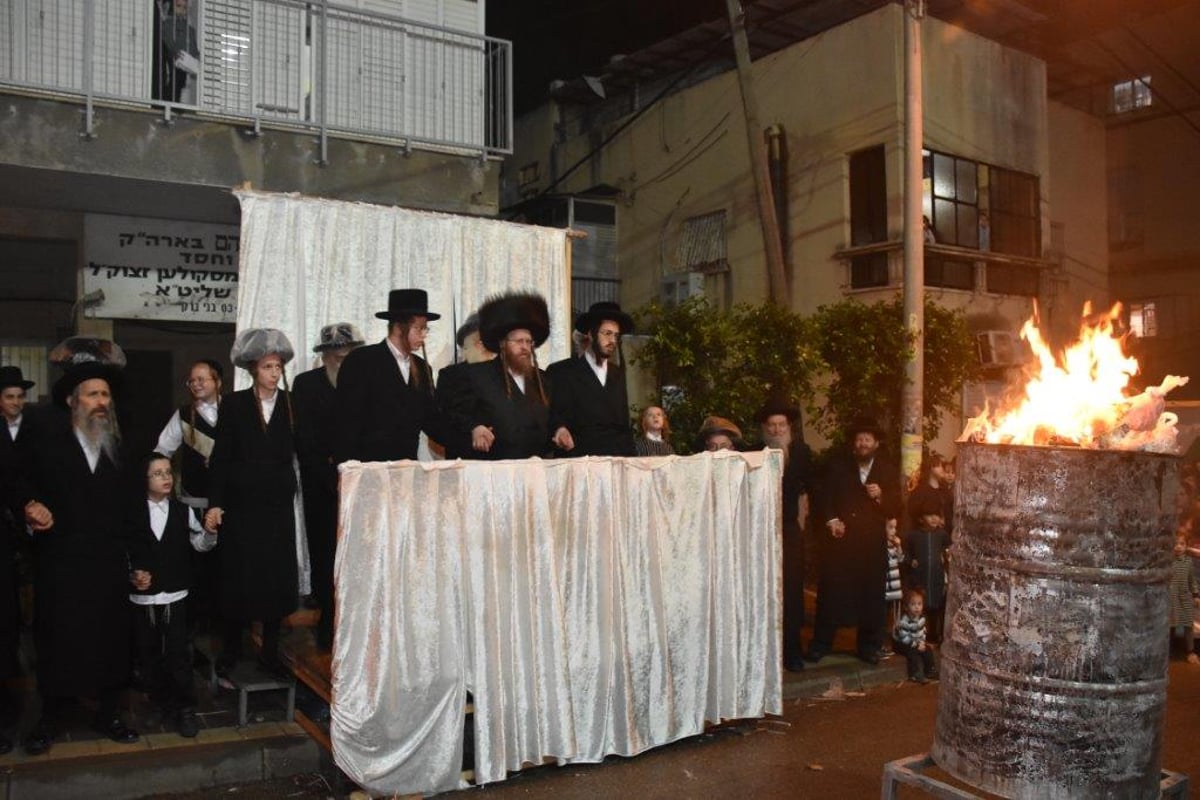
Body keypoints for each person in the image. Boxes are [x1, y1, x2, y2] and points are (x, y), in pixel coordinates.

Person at [17, 338, 139, 756]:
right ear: (72, 399)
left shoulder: (119, 446)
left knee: (109, 638)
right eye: (92, 394)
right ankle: (51, 715)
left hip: (106, 562)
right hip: (60, 561)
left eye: (105, 394)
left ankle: (110, 712)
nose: (101, 402)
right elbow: (18, 479)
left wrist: (137, 560)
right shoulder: (43, 438)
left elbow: (131, 510)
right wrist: (29, 505)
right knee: (58, 637)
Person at [204, 329, 300, 681]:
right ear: (252, 370)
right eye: (267, 367)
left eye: (278, 366)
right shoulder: (234, 405)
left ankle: (270, 653)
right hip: (241, 508)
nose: (274, 373)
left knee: (274, 580)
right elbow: (221, 459)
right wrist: (215, 504)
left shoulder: (292, 404)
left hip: (276, 509)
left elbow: (305, 449)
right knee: (238, 579)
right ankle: (231, 650)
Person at [126, 452, 217, 737]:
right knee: (149, 655)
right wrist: (132, 575)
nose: (166, 478)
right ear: (144, 479)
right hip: (144, 599)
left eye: (168, 472)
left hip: (175, 596)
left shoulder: (182, 511)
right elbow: (123, 553)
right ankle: (158, 703)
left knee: (178, 655)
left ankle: (185, 708)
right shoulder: (131, 513)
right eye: (158, 473)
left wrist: (210, 531)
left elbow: (200, 544)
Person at [293, 322, 363, 651]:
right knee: (323, 554)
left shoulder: (365, 385)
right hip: (320, 483)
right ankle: (326, 621)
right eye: (335, 355)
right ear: (324, 356)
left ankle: (354, 621)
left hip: (358, 484)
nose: (341, 360)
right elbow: (303, 439)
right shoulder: (305, 385)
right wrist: (329, 474)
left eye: (348, 355)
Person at [808, 416, 899, 665]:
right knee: (831, 594)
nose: (862, 443)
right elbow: (822, 497)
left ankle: (868, 647)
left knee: (871, 597)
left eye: (867, 439)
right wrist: (831, 520)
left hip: (871, 546)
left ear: (876, 443)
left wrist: (881, 496)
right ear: (853, 443)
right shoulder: (837, 466)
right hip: (841, 543)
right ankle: (821, 644)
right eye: (859, 439)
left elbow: (897, 506)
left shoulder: (888, 470)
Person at [334, 289, 458, 464]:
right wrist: (346, 468)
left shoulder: (422, 368)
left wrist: (471, 434)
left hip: (407, 470)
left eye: (425, 329)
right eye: (418, 328)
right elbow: (346, 422)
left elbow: (432, 420)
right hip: (368, 469)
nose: (423, 335)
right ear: (399, 326)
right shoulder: (362, 361)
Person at [454, 291, 573, 460]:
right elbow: (458, 414)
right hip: (495, 470)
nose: (525, 347)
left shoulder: (543, 380)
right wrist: (475, 427)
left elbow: (554, 417)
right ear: (502, 344)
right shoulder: (478, 376)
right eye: (518, 341)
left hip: (535, 469)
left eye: (528, 342)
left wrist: (560, 429)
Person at [154, 359, 224, 634]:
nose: (196, 384)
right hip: (194, 504)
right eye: (192, 380)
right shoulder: (183, 415)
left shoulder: (235, 411)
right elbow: (162, 451)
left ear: (218, 381)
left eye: (202, 379)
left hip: (228, 505)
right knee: (197, 568)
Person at [757, 393, 813, 672]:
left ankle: (792, 651)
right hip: (761, 530)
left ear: (789, 428)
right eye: (772, 425)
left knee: (791, 589)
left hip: (790, 529)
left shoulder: (802, 452)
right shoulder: (755, 451)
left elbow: (813, 488)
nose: (777, 430)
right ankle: (765, 653)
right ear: (765, 429)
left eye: (781, 425)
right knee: (763, 590)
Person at [0, 366, 37, 748]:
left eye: (19, 396)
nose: (15, 402)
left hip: (29, 522)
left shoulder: (34, 429)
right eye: (9, 396)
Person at [548, 301, 636, 457]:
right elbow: (553, 415)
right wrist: (560, 429)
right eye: (607, 333)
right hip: (578, 462)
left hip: (614, 463)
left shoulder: (617, 374)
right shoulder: (562, 372)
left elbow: (623, 424)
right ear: (590, 333)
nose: (613, 341)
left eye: (616, 335)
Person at [435, 312, 494, 460]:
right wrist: (473, 427)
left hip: (504, 459)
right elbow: (444, 414)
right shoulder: (450, 375)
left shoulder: (509, 374)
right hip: (463, 456)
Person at [904, 492, 950, 643]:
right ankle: (915, 635)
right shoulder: (913, 536)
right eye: (930, 515)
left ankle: (934, 635)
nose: (934, 518)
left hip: (936, 577)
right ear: (921, 518)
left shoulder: (942, 535)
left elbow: (948, 551)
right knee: (919, 606)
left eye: (937, 515)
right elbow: (905, 554)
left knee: (936, 607)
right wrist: (911, 562)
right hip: (919, 577)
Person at [893, 588, 938, 684]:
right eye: (913, 604)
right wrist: (916, 645)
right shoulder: (903, 621)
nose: (917, 607)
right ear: (906, 607)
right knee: (912, 653)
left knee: (927, 650)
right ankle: (915, 674)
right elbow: (904, 638)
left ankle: (930, 671)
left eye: (919, 604)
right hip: (902, 643)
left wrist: (922, 642)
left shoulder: (922, 619)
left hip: (915, 641)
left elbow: (922, 632)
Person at [1168, 531, 1199, 664]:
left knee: (1188, 625)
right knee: (1170, 625)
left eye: (1182, 544)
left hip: (1185, 597)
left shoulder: (1189, 562)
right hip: (1170, 597)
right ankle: (1168, 652)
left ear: (1186, 546)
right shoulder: (1168, 562)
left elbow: (1192, 580)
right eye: (1175, 543)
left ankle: (1190, 651)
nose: (1178, 547)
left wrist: (1196, 595)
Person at [908, 450, 955, 533]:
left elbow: (951, 510)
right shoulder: (920, 491)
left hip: (946, 535)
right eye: (938, 466)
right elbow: (913, 511)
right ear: (930, 468)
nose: (942, 469)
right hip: (926, 535)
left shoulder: (945, 490)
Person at [885, 518, 904, 633]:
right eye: (890, 527)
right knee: (884, 615)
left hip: (894, 588)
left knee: (892, 616)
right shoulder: (882, 546)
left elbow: (901, 559)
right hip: (886, 588)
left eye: (895, 528)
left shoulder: (893, 545)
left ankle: (891, 639)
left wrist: (899, 546)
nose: (894, 531)